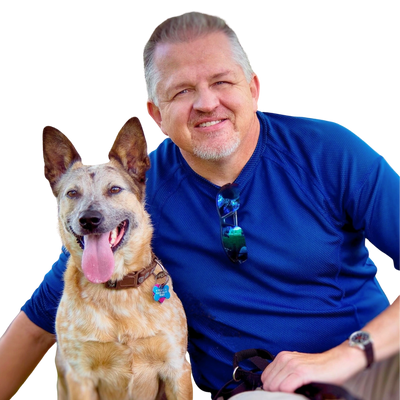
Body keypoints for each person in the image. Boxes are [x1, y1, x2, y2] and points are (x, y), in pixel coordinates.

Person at [1, 8, 399, 400]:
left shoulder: (331, 152)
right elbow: (40, 322)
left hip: (371, 371)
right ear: (155, 115)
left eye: (222, 81)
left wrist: (345, 355)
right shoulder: (131, 192)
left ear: (255, 88)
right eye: (182, 91)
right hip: (254, 388)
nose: (207, 103)